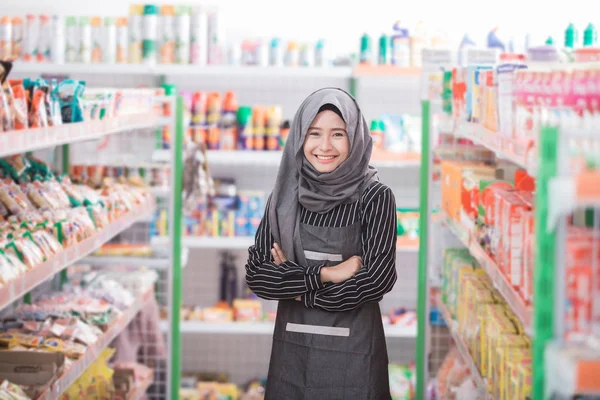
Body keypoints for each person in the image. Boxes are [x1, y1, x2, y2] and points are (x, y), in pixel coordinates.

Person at [245, 87, 397, 400]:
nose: (324, 146)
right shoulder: (284, 198)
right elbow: (258, 276)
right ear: (300, 137)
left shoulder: (376, 198)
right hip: (294, 357)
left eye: (338, 134)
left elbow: (377, 280)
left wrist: (300, 290)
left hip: (354, 357)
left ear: (355, 138)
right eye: (314, 133)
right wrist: (327, 274)